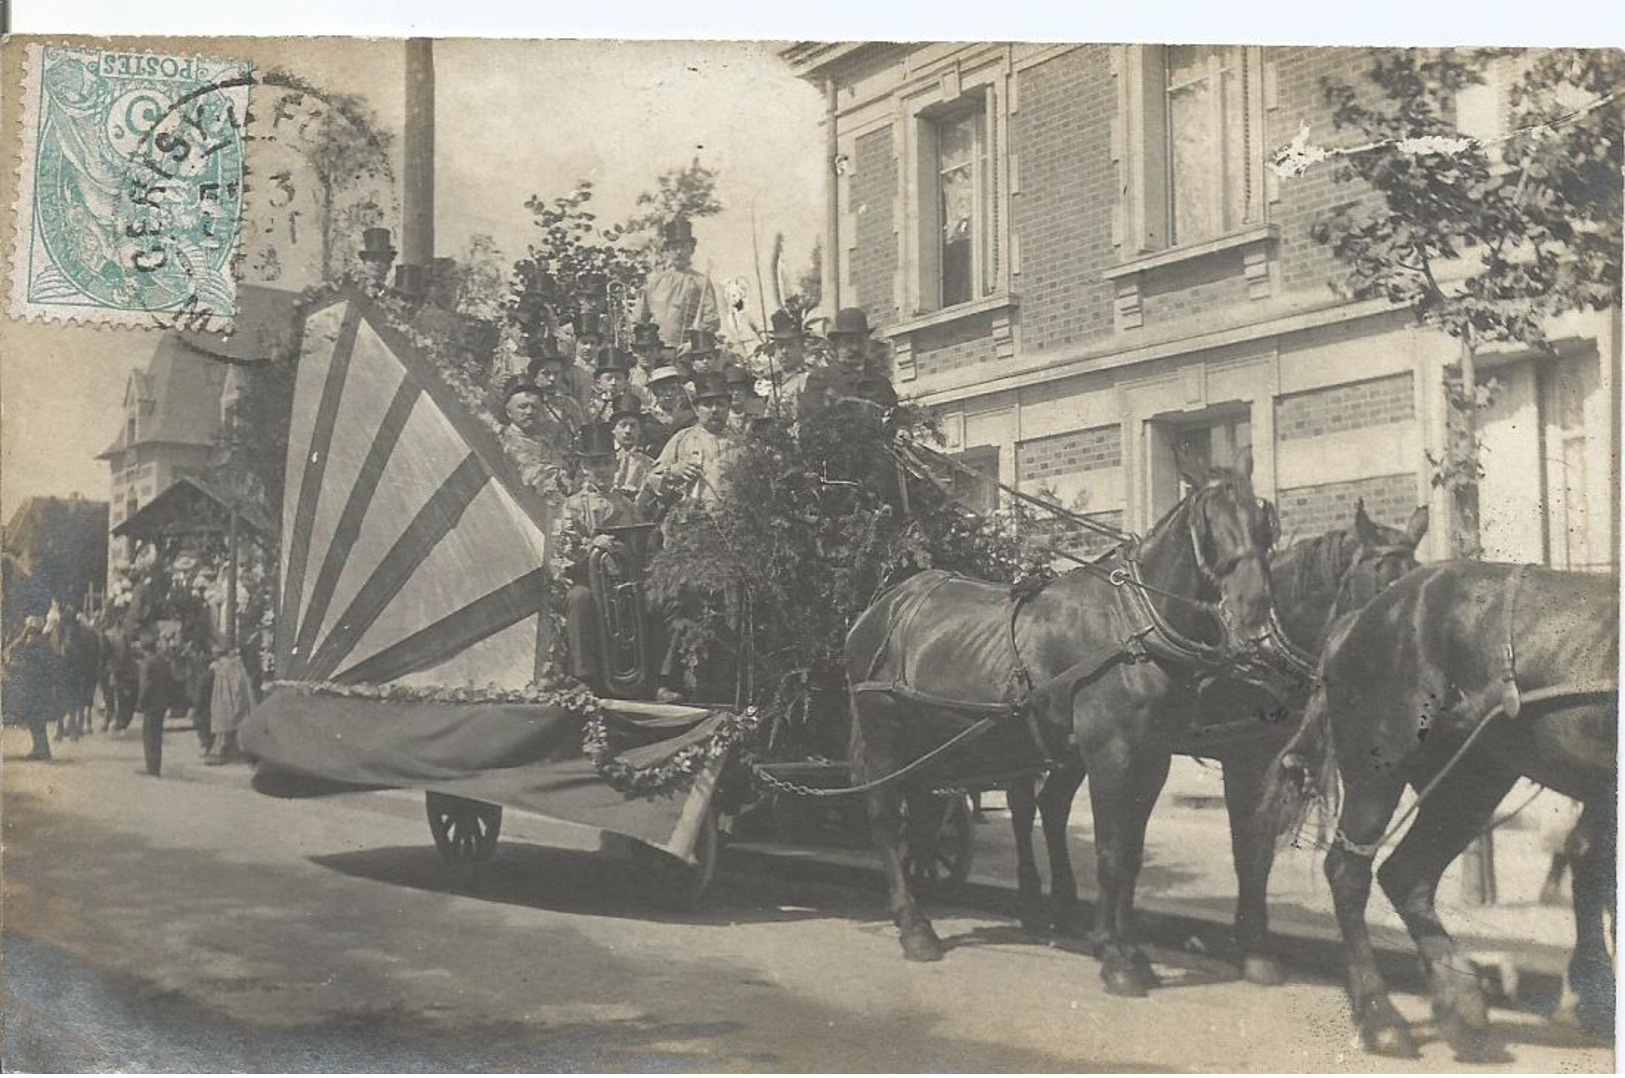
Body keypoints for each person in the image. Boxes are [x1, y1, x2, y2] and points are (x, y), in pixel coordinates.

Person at [560, 423, 641, 693]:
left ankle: (654, 679)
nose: (602, 470)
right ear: (584, 468)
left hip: (622, 581)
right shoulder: (572, 505)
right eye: (595, 464)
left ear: (617, 465)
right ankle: (584, 677)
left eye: (607, 463)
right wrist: (591, 545)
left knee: (652, 599)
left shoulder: (628, 504)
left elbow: (642, 544)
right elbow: (564, 550)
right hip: (586, 577)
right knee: (578, 598)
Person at [636, 217, 720, 349]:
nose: (679, 252)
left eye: (683, 247)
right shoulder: (655, 281)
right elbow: (640, 318)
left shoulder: (701, 282)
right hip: (656, 352)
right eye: (674, 248)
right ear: (667, 251)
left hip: (687, 352)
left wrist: (693, 344)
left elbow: (712, 322)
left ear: (691, 250)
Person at [498, 378, 569, 498]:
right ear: (509, 412)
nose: (530, 412)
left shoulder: (545, 439)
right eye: (523, 407)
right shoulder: (505, 441)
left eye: (535, 407)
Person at [763, 307, 812, 421]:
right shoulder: (778, 383)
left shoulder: (808, 379)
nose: (784, 351)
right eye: (780, 346)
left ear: (802, 348)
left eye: (790, 345)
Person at [607, 392, 656, 500]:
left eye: (633, 426)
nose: (628, 431)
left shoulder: (648, 463)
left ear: (640, 430)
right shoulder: (603, 457)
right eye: (623, 425)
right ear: (613, 429)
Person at [642, 364, 695, 453]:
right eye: (663, 389)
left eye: (673, 389)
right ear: (655, 392)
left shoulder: (689, 417)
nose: (669, 393)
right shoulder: (647, 418)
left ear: (679, 390)